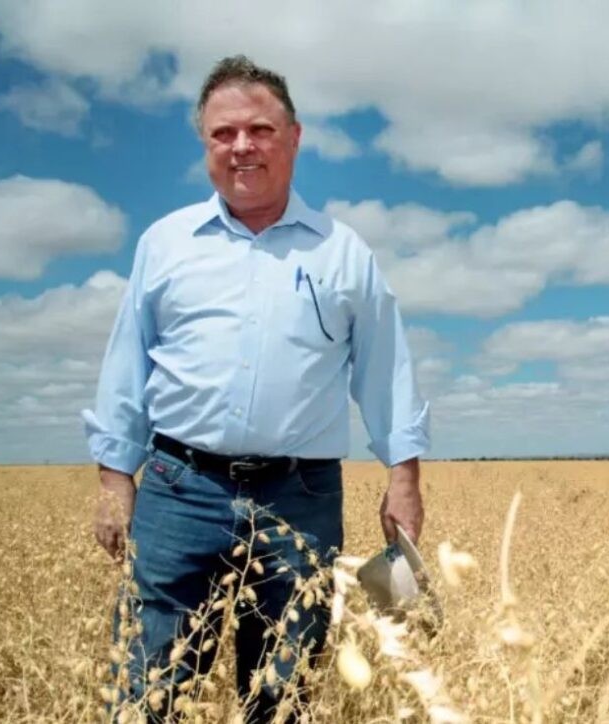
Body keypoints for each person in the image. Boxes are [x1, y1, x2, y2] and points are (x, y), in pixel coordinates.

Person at [83, 55, 430, 722]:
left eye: (260, 130)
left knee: (283, 694)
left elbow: (385, 367)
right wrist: (114, 479)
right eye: (223, 133)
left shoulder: (343, 251)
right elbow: (126, 360)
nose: (242, 146)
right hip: (178, 490)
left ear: (294, 138)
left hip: (300, 497)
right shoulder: (165, 243)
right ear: (205, 145)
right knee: (150, 690)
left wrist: (404, 478)